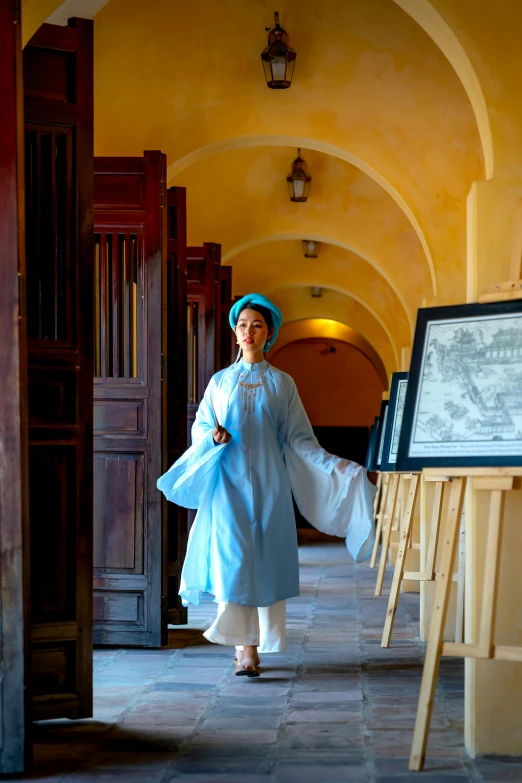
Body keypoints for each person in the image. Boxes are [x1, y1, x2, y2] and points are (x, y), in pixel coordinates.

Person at [157, 293, 376, 677]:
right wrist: (212, 436)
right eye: (242, 325)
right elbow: (201, 426)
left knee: (266, 563)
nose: (248, 331)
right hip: (228, 484)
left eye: (256, 325)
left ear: (268, 332)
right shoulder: (220, 382)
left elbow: (299, 439)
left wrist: (338, 467)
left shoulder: (282, 384)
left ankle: (254, 644)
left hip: (270, 486)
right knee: (234, 561)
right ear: (234, 331)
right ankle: (245, 648)